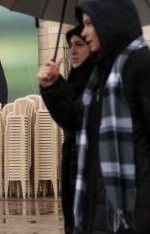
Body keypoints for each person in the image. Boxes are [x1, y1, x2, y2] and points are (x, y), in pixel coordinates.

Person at [38, 0, 150, 234]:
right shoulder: (100, 75)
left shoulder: (147, 66)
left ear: (110, 23)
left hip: (134, 208)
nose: (85, 33)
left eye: (89, 24)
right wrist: (53, 87)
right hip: (93, 203)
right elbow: (76, 122)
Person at [40, 25, 95, 234]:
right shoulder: (78, 78)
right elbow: (71, 116)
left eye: (79, 44)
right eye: (70, 45)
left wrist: (55, 88)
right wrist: (53, 85)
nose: (72, 51)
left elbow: (76, 118)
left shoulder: (101, 80)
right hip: (75, 175)